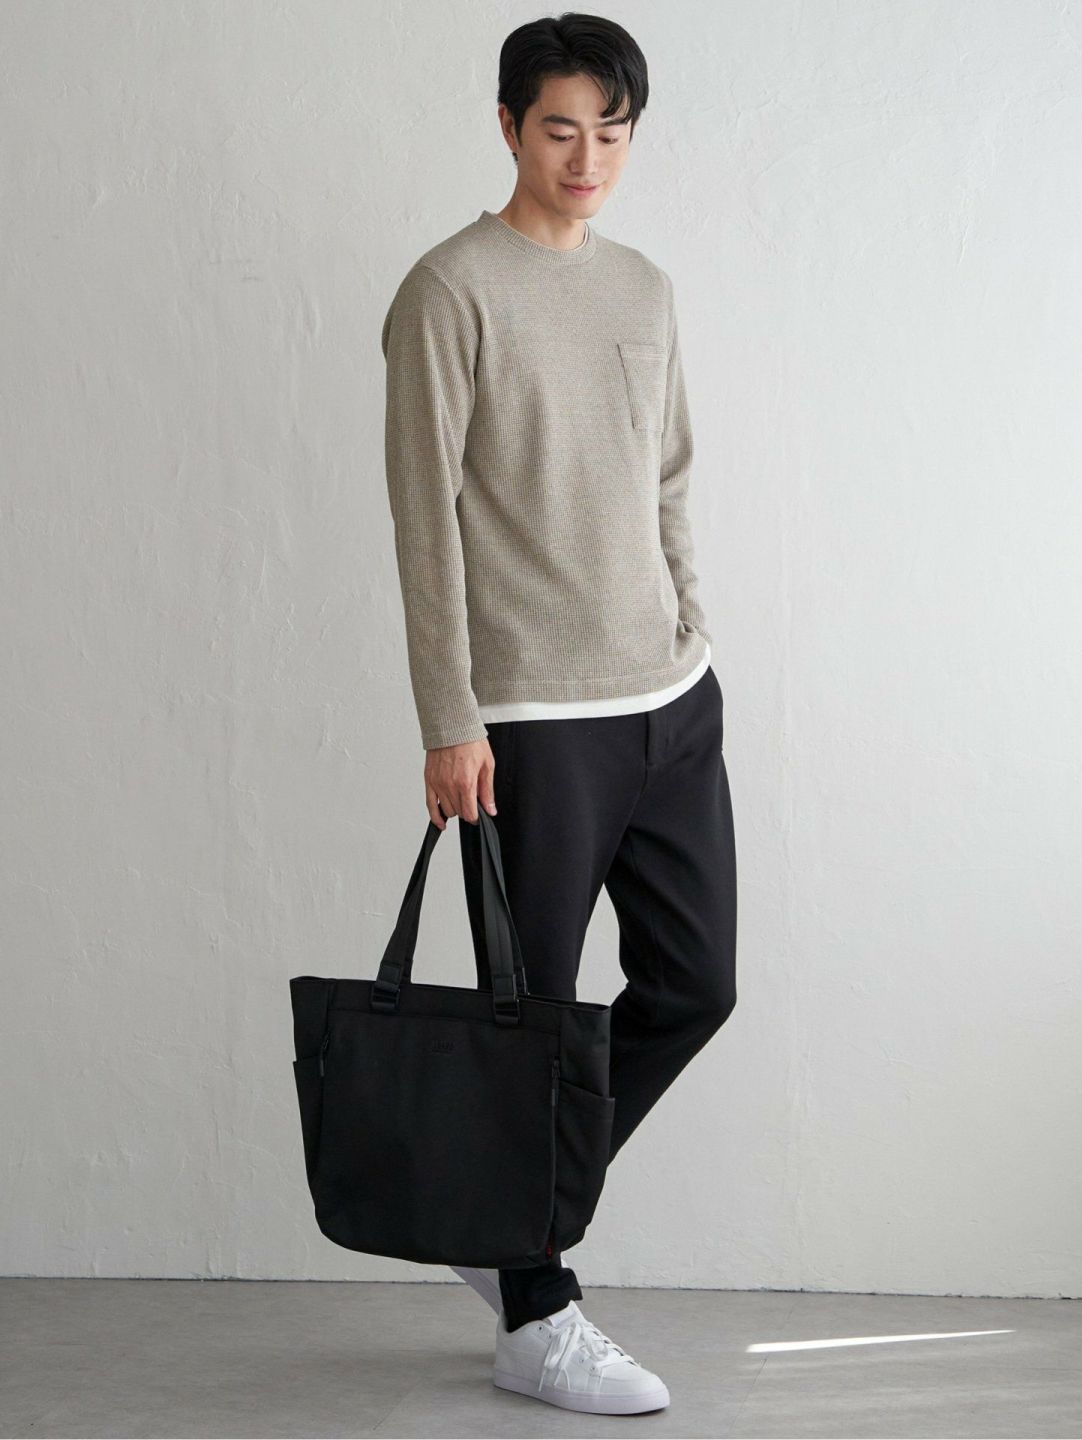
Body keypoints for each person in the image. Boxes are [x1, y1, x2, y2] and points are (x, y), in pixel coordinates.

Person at [380, 11, 737, 1416]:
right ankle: (535, 1312)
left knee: (694, 984)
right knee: (528, 1021)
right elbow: (425, 522)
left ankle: (502, 1214)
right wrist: (448, 717)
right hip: (530, 718)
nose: (588, 157)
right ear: (509, 128)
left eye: (613, 130)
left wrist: (693, 629)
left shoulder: (644, 287)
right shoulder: (447, 290)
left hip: (671, 701)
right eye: (560, 128)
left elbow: (669, 478)